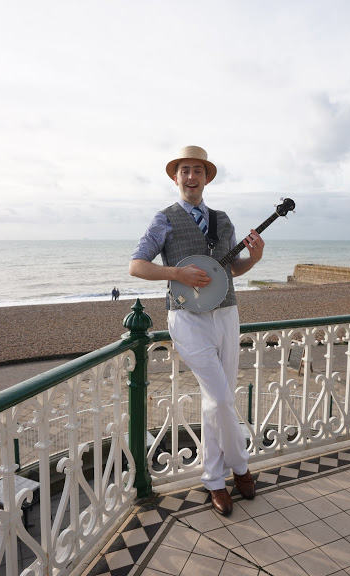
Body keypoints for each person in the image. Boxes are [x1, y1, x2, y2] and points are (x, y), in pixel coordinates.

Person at [129, 146, 265, 515]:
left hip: (227, 314)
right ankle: (240, 466)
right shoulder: (165, 219)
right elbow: (137, 266)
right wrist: (176, 273)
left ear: (206, 178)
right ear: (176, 178)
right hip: (187, 317)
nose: (191, 177)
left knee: (215, 399)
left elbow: (230, 270)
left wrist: (253, 258)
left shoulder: (222, 220)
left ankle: (215, 480)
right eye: (185, 171)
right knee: (221, 397)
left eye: (198, 171)